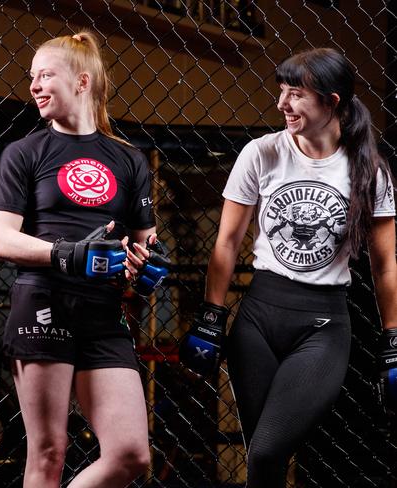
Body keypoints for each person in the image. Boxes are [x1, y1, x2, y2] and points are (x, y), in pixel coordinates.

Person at [178, 47, 397, 487]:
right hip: (258, 318)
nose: (282, 104)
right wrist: (210, 314)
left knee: (267, 449)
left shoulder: (368, 170)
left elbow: (385, 264)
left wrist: (393, 335)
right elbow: (226, 242)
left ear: (332, 101)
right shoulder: (261, 153)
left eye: (295, 94)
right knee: (265, 458)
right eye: (281, 91)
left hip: (323, 326)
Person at [0, 31, 169, 488]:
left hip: (102, 313)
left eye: (45, 75)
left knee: (130, 454)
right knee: (47, 454)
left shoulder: (128, 159)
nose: (33, 85)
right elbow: (2, 240)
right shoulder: (24, 153)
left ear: (82, 82)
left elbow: (146, 243)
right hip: (44, 302)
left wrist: (146, 266)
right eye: (31, 77)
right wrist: (67, 255)